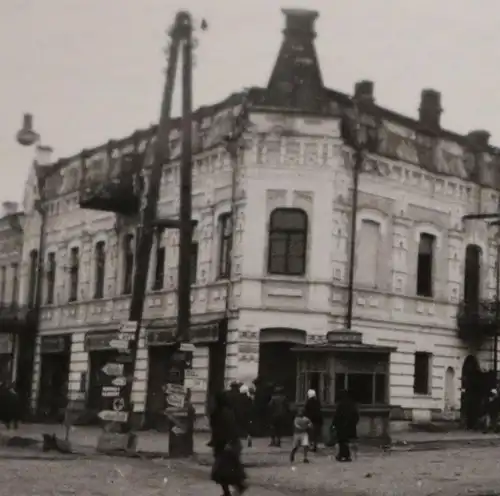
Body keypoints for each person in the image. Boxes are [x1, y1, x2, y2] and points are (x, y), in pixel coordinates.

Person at [210, 391, 248, 496]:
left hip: (226, 444)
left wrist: (229, 442)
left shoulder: (224, 412)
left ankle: (236, 487)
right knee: (223, 470)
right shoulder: (220, 412)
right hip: (221, 443)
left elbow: (229, 428)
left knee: (223, 470)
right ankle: (229, 490)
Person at [333, 390, 359, 462]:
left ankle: (344, 456)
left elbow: (337, 416)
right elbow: (356, 415)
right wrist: (353, 423)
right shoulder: (352, 404)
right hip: (350, 426)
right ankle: (343, 455)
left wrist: (334, 424)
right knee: (346, 441)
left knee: (342, 441)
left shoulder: (340, 404)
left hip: (341, 426)